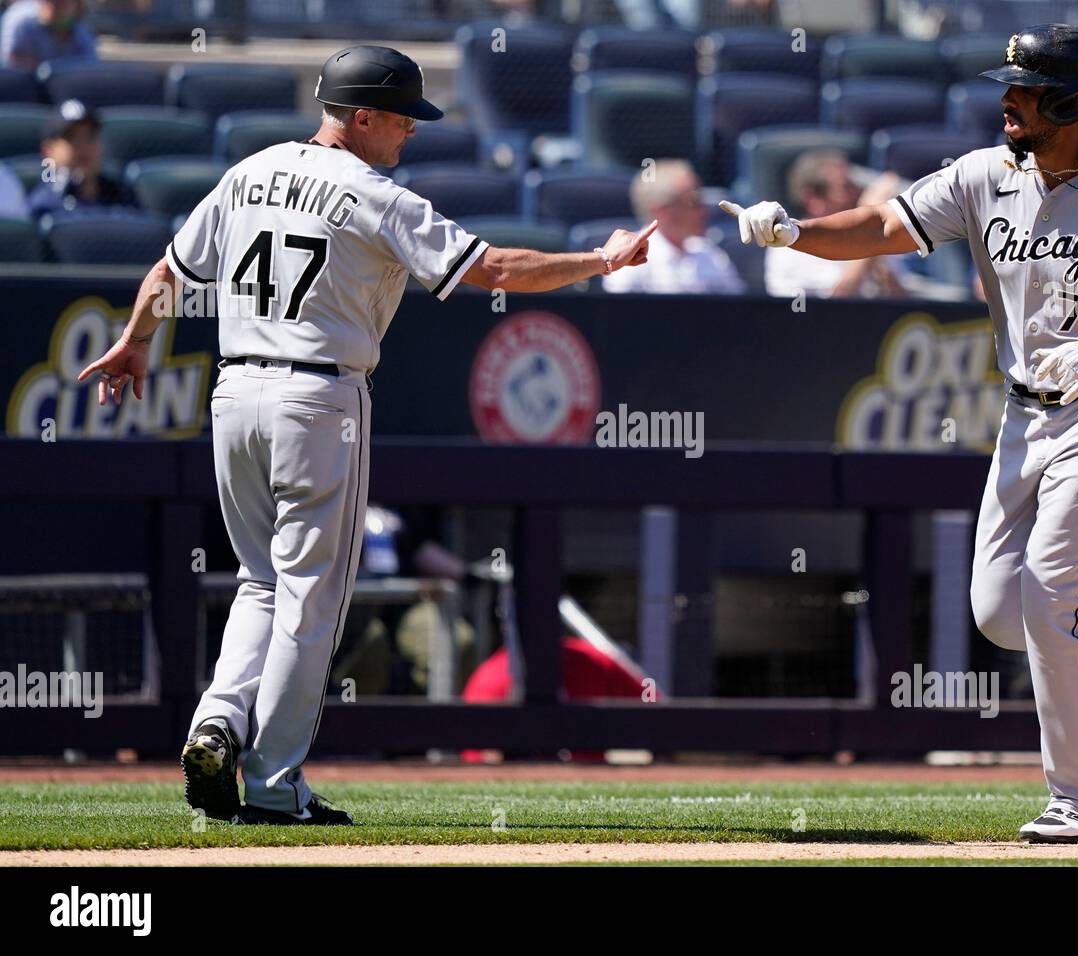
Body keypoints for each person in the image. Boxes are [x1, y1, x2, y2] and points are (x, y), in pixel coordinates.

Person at [77, 45, 655, 826]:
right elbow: (498, 271)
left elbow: (166, 274)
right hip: (317, 397)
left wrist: (140, 338)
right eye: (402, 118)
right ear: (361, 116)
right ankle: (276, 783)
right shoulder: (373, 193)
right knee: (312, 599)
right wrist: (601, 258)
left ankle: (216, 722)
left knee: (260, 581)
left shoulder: (246, 171)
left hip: (233, 393)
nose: (411, 132)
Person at [722, 24, 1078, 844]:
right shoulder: (986, 175)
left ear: (1064, 98)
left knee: (1051, 592)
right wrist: (796, 234)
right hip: (1026, 412)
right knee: (1000, 610)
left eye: (1023, 89)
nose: (1006, 101)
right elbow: (888, 227)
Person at [765, 150, 907, 299]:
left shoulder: (871, 234)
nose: (856, 194)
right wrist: (873, 230)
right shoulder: (790, 243)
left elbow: (900, 302)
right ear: (813, 199)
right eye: (845, 188)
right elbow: (837, 299)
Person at [602, 159, 743, 295]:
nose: (704, 210)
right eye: (694, 201)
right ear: (661, 211)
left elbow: (738, 311)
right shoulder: (629, 262)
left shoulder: (709, 253)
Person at [28, 99, 135, 218]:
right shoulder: (43, 205)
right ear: (48, 151)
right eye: (71, 138)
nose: (83, 146)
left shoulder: (123, 197)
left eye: (90, 137)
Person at [0, 0, 97, 71]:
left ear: (78, 6)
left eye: (63, 2)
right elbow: (11, 63)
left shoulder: (82, 32)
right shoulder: (19, 21)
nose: (55, 4)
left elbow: (88, 71)